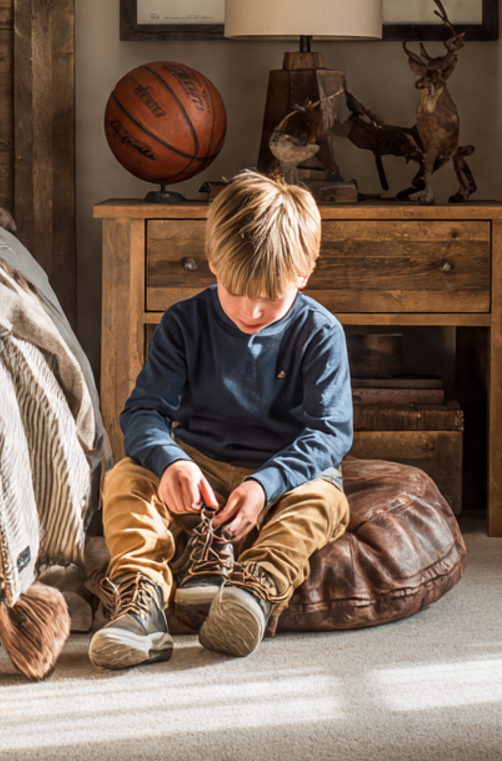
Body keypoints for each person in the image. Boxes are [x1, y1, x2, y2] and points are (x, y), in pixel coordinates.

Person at [89, 171, 352, 668]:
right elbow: (144, 411)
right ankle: (141, 602)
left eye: (270, 297)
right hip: (201, 477)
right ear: (213, 264)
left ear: (305, 272)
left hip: (284, 479)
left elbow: (330, 433)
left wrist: (266, 483)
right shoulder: (183, 323)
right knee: (124, 478)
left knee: (323, 501)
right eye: (235, 291)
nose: (251, 310)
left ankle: (252, 592)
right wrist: (169, 463)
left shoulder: (320, 333)